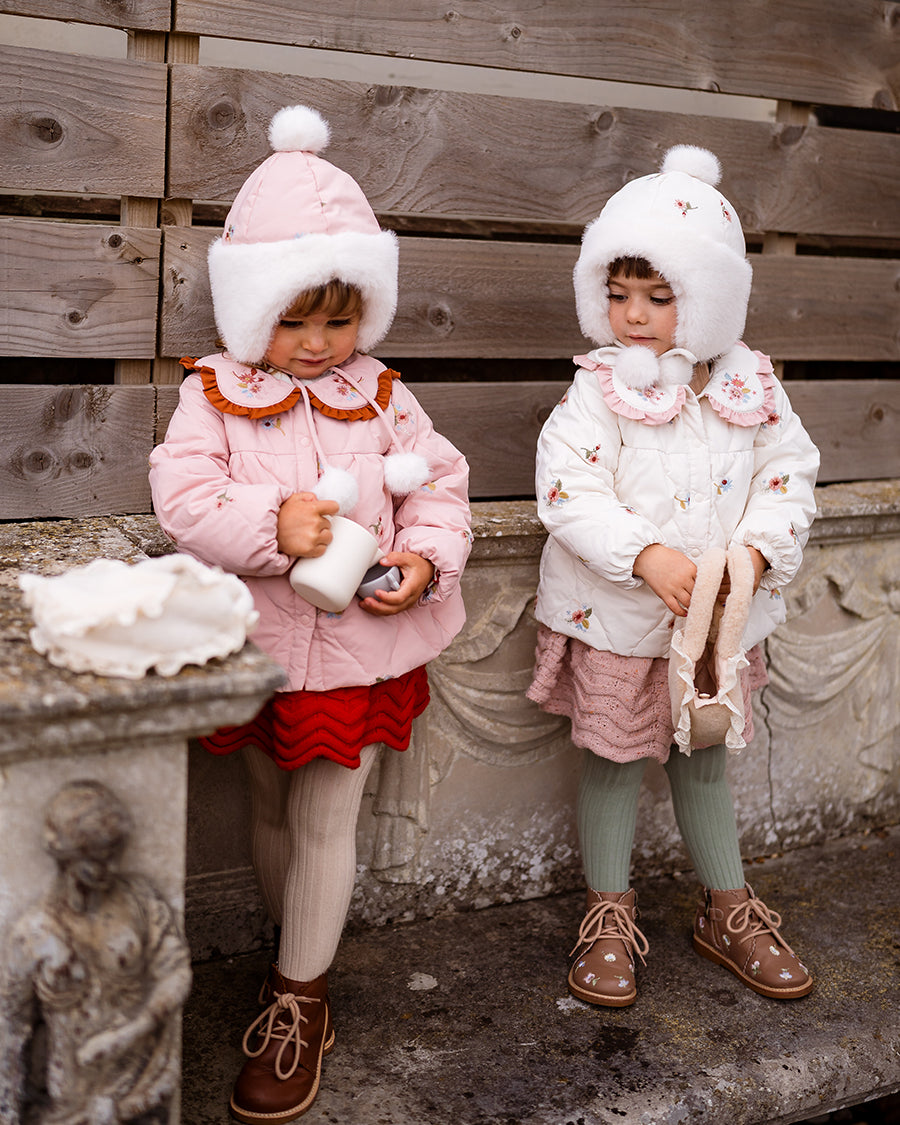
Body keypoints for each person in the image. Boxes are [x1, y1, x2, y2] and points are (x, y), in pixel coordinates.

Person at [149, 105, 471, 1123]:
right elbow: (185, 497)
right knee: (268, 800)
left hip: (359, 651)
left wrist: (424, 559)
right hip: (260, 645)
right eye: (295, 321)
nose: (319, 344)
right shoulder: (214, 394)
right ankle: (296, 952)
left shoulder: (383, 397)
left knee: (329, 811)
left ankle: (302, 997)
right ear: (251, 311)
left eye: (338, 320)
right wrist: (271, 524)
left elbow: (441, 486)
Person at [527, 145, 819, 1008]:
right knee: (615, 763)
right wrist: (643, 554)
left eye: (659, 297)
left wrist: (756, 552)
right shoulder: (598, 391)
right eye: (618, 294)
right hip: (619, 621)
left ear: (711, 298)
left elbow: (788, 474)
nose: (634, 315)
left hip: (714, 627)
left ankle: (727, 908)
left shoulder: (751, 388)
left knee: (704, 759)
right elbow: (568, 486)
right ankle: (608, 914)